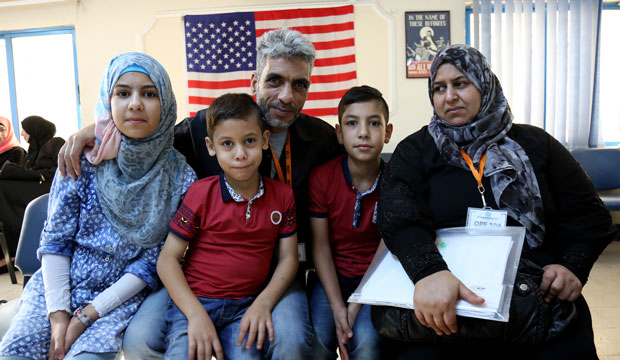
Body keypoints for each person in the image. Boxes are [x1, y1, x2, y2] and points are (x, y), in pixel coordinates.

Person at [58, 28, 342, 359]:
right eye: (274, 81)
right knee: (141, 340)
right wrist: (101, 129)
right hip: (203, 272)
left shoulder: (321, 139)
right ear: (254, 82)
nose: (286, 96)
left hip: (278, 268)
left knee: (293, 341)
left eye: (299, 84)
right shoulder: (205, 126)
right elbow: (151, 134)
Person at [377, 44, 616, 359]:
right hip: (447, 299)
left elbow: (590, 215)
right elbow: (398, 218)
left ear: (484, 85)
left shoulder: (535, 143)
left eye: (461, 83)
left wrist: (573, 265)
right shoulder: (416, 150)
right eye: (439, 88)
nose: (449, 96)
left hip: (534, 299)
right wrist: (428, 272)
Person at [0, 52, 196, 359]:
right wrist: (58, 314)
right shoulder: (81, 159)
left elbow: (149, 264)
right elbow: (56, 240)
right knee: (15, 353)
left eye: (149, 93)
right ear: (108, 99)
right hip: (58, 287)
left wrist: (85, 316)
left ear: (166, 103)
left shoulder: (181, 178)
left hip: (119, 298)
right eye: (122, 93)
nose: (134, 104)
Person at [158, 93, 298, 359]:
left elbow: (289, 258)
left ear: (265, 140)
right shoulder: (200, 194)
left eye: (249, 141)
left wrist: (264, 303)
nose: (240, 154)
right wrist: (195, 315)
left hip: (246, 307)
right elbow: (167, 260)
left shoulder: (283, 196)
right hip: (195, 303)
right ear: (211, 147)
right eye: (227, 144)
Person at [308, 85, 392, 360]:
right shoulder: (322, 178)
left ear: (387, 132)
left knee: (366, 344)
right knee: (318, 342)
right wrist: (338, 306)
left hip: (375, 279)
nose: (364, 132)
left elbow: (387, 246)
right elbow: (320, 246)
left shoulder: (396, 181)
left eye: (374, 123)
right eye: (352, 123)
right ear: (339, 133)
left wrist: (356, 303)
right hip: (331, 276)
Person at [0, 115, 64, 271]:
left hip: (50, 189)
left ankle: (16, 244)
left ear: (35, 129)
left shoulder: (56, 143)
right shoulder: (33, 152)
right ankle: (12, 244)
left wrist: (40, 175)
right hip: (35, 187)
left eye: (25, 129)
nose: (22, 133)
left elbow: (63, 169)